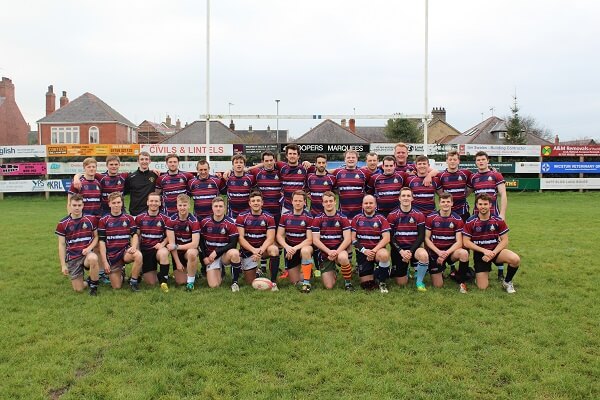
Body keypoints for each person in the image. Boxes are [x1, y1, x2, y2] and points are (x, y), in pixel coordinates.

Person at [462, 193, 521, 293]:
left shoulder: (498, 220)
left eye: (485, 204)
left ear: (490, 205)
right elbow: (466, 242)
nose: (483, 207)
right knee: (482, 287)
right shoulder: (470, 221)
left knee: (515, 259)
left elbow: (505, 240)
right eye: (480, 204)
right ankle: (477, 274)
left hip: (496, 251)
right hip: (481, 254)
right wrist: (484, 251)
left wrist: (492, 253)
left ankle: (507, 282)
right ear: (476, 205)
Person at [467, 150, 508, 280]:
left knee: (498, 241)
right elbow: (465, 193)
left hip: (494, 214)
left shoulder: (496, 175)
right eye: (478, 160)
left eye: (483, 159)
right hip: (477, 215)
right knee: (477, 240)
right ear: (476, 162)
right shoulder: (473, 177)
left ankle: (501, 272)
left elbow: (503, 195)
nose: (481, 162)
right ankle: (479, 266)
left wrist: (502, 213)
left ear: (487, 160)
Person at [424, 192, 470, 292]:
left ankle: (462, 282)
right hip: (436, 253)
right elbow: (427, 239)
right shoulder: (431, 217)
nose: (445, 204)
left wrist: (446, 253)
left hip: (450, 253)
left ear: (452, 203)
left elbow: (459, 242)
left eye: (448, 202)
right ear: (439, 203)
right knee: (438, 285)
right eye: (443, 202)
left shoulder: (457, 219)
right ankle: (442, 270)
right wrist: (438, 252)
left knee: (464, 253)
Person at [55, 194, 100, 295]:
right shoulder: (63, 223)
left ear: (83, 205)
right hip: (73, 257)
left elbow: (96, 237)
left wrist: (89, 248)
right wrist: (63, 265)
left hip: (86, 255)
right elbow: (61, 245)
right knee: (78, 289)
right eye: (74, 205)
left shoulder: (91, 219)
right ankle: (87, 282)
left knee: (93, 258)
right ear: (69, 205)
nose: (77, 208)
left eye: (79, 205)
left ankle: (94, 286)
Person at [97, 192, 143, 291]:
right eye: (114, 203)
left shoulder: (129, 218)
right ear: (109, 204)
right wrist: (104, 262)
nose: (116, 205)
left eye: (118, 202)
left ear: (122, 203)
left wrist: (134, 246)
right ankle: (121, 271)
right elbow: (102, 242)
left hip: (125, 252)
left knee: (138, 255)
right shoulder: (103, 220)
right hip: (112, 255)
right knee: (116, 287)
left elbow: (134, 234)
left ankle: (133, 282)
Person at [236, 191, 280, 288]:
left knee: (274, 249)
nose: (256, 203)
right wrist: (253, 250)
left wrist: (259, 251)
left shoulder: (269, 217)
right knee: (250, 282)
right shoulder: (242, 216)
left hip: (263, 249)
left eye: (258, 201)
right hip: (248, 251)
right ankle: (257, 273)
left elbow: (270, 238)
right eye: (253, 201)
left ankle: (273, 282)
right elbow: (241, 238)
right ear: (249, 203)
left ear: (262, 203)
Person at [386, 188, 429, 289]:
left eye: (408, 196)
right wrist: (401, 251)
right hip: (399, 249)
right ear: (399, 198)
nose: (406, 198)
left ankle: (419, 282)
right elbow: (390, 237)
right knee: (401, 283)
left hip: (414, 248)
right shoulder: (392, 215)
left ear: (412, 198)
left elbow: (421, 236)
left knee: (424, 255)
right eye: (403, 196)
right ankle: (406, 269)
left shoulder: (419, 215)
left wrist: (410, 251)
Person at [310, 191, 353, 290]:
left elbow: (347, 239)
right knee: (329, 286)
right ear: (323, 203)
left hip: (339, 251)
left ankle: (348, 283)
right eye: (326, 201)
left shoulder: (343, 218)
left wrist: (336, 252)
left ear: (335, 202)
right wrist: (329, 252)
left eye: (330, 201)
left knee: (343, 257)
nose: (328, 203)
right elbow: (315, 240)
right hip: (326, 254)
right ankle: (333, 270)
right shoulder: (317, 219)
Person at [351, 195, 392, 293]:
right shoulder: (356, 218)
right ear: (362, 205)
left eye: (371, 203)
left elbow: (387, 238)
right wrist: (364, 251)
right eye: (366, 203)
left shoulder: (381, 218)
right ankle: (380, 270)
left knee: (384, 255)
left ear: (375, 205)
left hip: (377, 251)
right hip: (363, 252)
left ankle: (382, 282)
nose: (368, 205)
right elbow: (352, 238)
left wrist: (373, 251)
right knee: (367, 285)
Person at [199, 197, 241, 290]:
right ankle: (220, 270)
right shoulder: (205, 222)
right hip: (211, 257)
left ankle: (235, 283)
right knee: (214, 285)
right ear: (212, 207)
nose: (218, 208)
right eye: (216, 206)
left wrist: (217, 252)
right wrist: (204, 257)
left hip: (224, 255)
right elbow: (200, 242)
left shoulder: (230, 223)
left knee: (234, 253)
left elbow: (233, 244)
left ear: (224, 208)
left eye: (221, 206)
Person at [276, 190, 313, 292]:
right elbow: (279, 235)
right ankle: (308, 271)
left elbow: (309, 239)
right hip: (290, 250)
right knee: (295, 281)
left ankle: (307, 283)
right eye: (295, 200)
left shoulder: (309, 217)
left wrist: (294, 248)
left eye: (300, 201)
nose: (297, 203)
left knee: (305, 251)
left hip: (302, 248)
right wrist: (287, 247)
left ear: (305, 202)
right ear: (291, 201)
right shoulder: (285, 216)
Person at [135, 192, 170, 292]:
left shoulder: (165, 218)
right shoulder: (140, 218)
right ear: (147, 202)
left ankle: (164, 282)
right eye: (151, 201)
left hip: (158, 248)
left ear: (160, 203)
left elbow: (169, 236)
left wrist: (162, 244)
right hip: (146, 250)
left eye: (156, 201)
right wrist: (138, 250)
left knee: (163, 253)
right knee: (151, 282)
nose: (153, 203)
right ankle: (153, 273)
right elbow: (137, 236)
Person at [165, 194, 200, 291]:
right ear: (176, 206)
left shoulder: (194, 221)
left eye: (184, 205)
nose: (182, 208)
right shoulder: (171, 220)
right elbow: (171, 244)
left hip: (188, 251)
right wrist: (177, 262)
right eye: (180, 205)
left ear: (189, 205)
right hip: (177, 254)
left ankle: (190, 282)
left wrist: (177, 246)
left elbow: (195, 244)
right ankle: (191, 271)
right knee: (180, 282)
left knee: (192, 253)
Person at [333, 150, 371, 219]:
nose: (351, 159)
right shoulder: (337, 173)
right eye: (348, 157)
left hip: (361, 213)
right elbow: (333, 187)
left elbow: (369, 188)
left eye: (353, 157)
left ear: (357, 159)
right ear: (345, 159)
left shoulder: (364, 173)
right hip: (343, 213)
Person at [274, 144, 311, 214]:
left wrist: (308, 163)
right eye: (290, 153)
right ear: (286, 156)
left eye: (294, 154)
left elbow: (323, 170)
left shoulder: (305, 168)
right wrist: (248, 168)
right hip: (286, 206)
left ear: (298, 156)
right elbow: (266, 163)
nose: (292, 156)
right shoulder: (281, 166)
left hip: (302, 206)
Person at [248, 151, 283, 225]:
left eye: (271, 160)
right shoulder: (257, 173)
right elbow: (239, 171)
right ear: (262, 162)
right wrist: (229, 170)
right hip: (263, 210)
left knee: (277, 233)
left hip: (278, 210)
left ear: (274, 160)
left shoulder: (280, 172)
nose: (269, 163)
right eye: (266, 161)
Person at [437, 150, 472, 222]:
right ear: (446, 161)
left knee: (463, 232)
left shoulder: (465, 173)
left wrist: (463, 195)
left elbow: (474, 182)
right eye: (450, 159)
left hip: (463, 212)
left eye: (455, 159)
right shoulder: (441, 175)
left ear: (458, 161)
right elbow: (440, 193)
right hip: (447, 212)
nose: (452, 161)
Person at [67, 157, 102, 223]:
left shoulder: (98, 183)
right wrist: (70, 219)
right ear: (84, 168)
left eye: (93, 167)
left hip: (97, 218)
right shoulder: (77, 183)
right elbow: (69, 203)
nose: (91, 169)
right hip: (82, 219)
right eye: (89, 167)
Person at [125, 151, 159, 216]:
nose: (144, 161)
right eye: (142, 159)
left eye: (146, 159)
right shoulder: (131, 177)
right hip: (135, 212)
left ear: (150, 161)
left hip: (151, 211)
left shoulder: (155, 175)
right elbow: (124, 193)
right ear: (138, 161)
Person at [225, 154, 256, 219]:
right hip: (232, 214)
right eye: (236, 162)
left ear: (244, 165)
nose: (238, 164)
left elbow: (264, 164)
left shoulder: (251, 178)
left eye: (241, 162)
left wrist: (249, 168)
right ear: (233, 165)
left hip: (247, 214)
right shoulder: (227, 177)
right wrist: (229, 170)